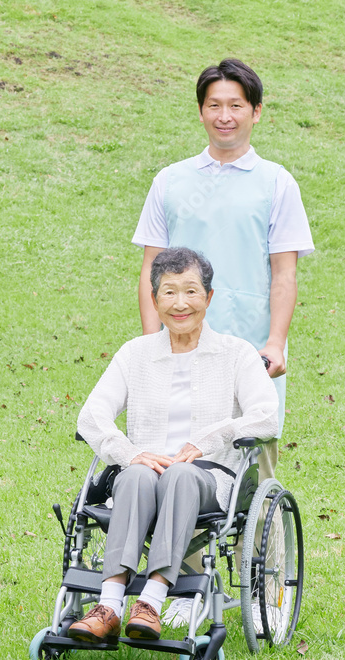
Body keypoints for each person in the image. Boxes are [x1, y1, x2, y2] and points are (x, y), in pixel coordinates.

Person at [132, 58, 313, 626]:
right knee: (178, 464)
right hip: (180, 346)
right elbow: (149, 272)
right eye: (215, 105)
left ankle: (268, 595)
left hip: (248, 355)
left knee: (253, 470)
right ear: (201, 111)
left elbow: (283, 273)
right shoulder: (171, 180)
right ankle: (181, 591)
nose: (225, 115)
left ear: (256, 112)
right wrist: (150, 345)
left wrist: (276, 343)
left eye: (237, 105)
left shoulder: (276, 183)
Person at [68, 247, 279, 644]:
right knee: (132, 477)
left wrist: (207, 439)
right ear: (154, 300)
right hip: (143, 474)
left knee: (180, 474)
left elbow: (267, 415)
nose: (180, 303)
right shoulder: (135, 354)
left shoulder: (236, 355)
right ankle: (109, 605)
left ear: (209, 298)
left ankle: (151, 599)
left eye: (191, 291)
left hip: (209, 479)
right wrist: (128, 452)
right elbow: (90, 415)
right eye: (168, 292)